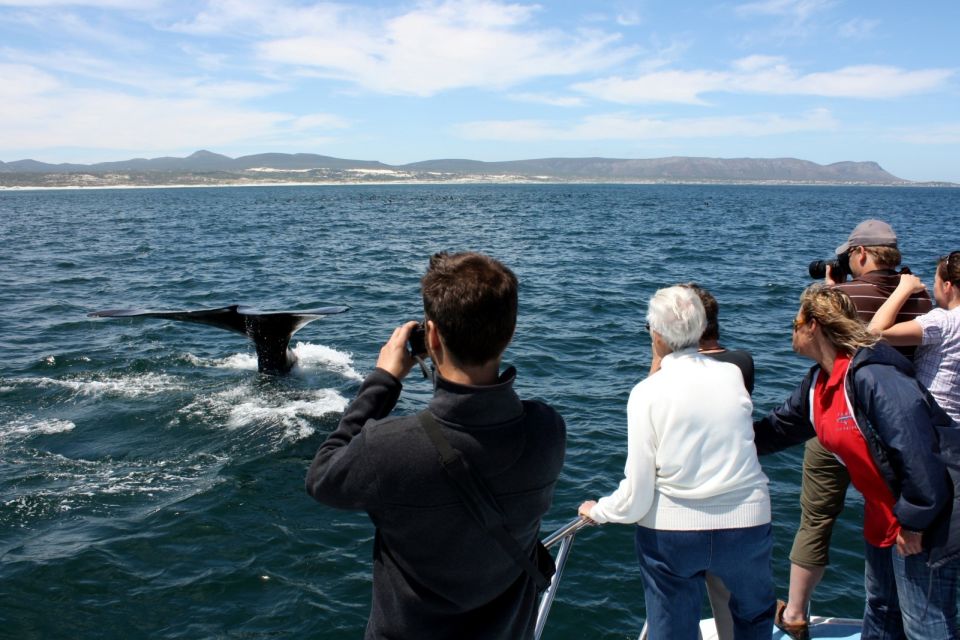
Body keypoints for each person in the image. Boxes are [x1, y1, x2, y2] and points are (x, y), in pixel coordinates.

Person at [305, 251, 567, 639]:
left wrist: (383, 381)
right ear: (509, 334)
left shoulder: (388, 449)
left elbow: (322, 477)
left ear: (430, 336)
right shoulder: (547, 430)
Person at [754, 284, 958, 639]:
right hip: (884, 517)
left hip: (929, 519)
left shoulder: (873, 375)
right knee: (881, 610)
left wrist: (915, 522)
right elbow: (777, 429)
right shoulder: (819, 382)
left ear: (813, 325)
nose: (791, 331)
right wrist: (718, 437)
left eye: (795, 322)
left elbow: (919, 452)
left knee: (925, 626)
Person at [578, 285, 774, 640]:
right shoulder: (732, 376)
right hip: (747, 524)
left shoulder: (646, 393)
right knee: (754, 617)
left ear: (655, 333)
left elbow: (637, 495)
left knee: (671, 631)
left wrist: (600, 510)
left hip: (672, 538)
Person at [778, 219, 933, 635]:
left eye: (848, 256)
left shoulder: (841, 298)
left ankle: (795, 610)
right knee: (888, 524)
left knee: (816, 518)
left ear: (861, 254)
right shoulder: (922, 300)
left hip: (841, 420)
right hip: (899, 427)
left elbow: (831, 339)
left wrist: (831, 289)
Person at [684, 283, 756, 640]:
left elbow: (650, 397)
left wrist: (661, 350)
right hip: (734, 502)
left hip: (684, 503)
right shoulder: (741, 362)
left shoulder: (675, 372)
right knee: (726, 599)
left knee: (677, 601)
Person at [868, 252, 960, 424]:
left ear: (947, 286)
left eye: (935, 282)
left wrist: (904, 288)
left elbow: (875, 332)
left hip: (935, 425)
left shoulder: (943, 321)